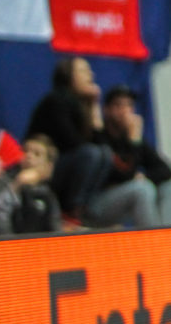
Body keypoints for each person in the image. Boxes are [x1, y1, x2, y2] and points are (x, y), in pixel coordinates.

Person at [24, 56, 115, 226]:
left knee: (104, 154)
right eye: (83, 71)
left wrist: (95, 110)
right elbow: (73, 142)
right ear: (68, 76)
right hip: (47, 172)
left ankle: (86, 208)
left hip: (68, 166)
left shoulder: (81, 105)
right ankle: (72, 209)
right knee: (91, 153)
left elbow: (105, 148)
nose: (91, 75)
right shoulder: (57, 100)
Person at [94, 85, 171, 227]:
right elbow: (123, 175)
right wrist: (134, 143)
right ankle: (151, 245)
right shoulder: (99, 137)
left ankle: (166, 240)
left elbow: (167, 170)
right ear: (106, 109)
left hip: (126, 197)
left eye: (129, 105)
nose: (125, 111)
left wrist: (145, 177)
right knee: (143, 189)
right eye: (118, 105)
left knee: (166, 186)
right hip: (98, 203)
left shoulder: (132, 137)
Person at [0, 133, 61, 236]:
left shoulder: (48, 197)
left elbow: (55, 233)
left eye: (37, 154)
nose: (29, 156)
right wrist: (17, 185)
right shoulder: (4, 182)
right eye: (25, 151)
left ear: (48, 167)